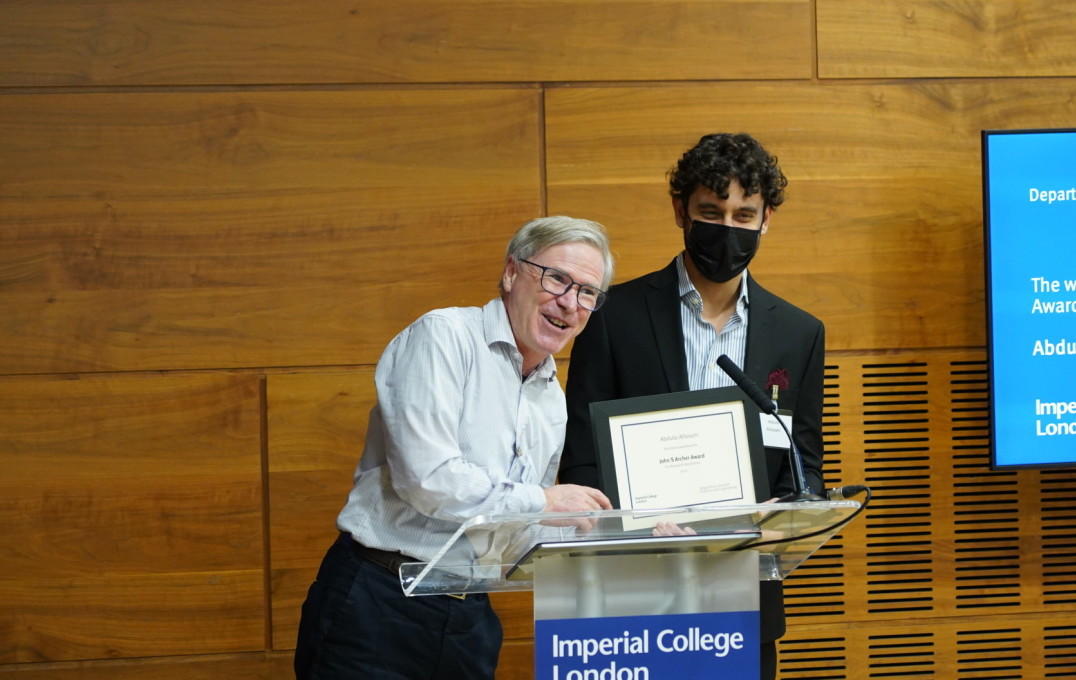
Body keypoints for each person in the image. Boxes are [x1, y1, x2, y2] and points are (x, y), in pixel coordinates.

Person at [294, 216, 615, 680]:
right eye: (557, 278)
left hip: (470, 617)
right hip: (380, 604)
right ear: (511, 273)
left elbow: (519, 529)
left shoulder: (551, 396)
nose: (569, 302)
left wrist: (619, 535)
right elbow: (428, 479)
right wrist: (546, 501)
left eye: (587, 292)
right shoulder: (443, 336)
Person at [559, 132, 825, 680]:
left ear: (766, 218)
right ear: (681, 210)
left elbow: (805, 464)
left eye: (744, 215)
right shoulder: (613, 317)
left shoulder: (799, 333)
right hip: (631, 592)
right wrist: (633, 523)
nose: (727, 229)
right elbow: (581, 460)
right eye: (711, 211)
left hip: (744, 595)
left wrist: (795, 516)